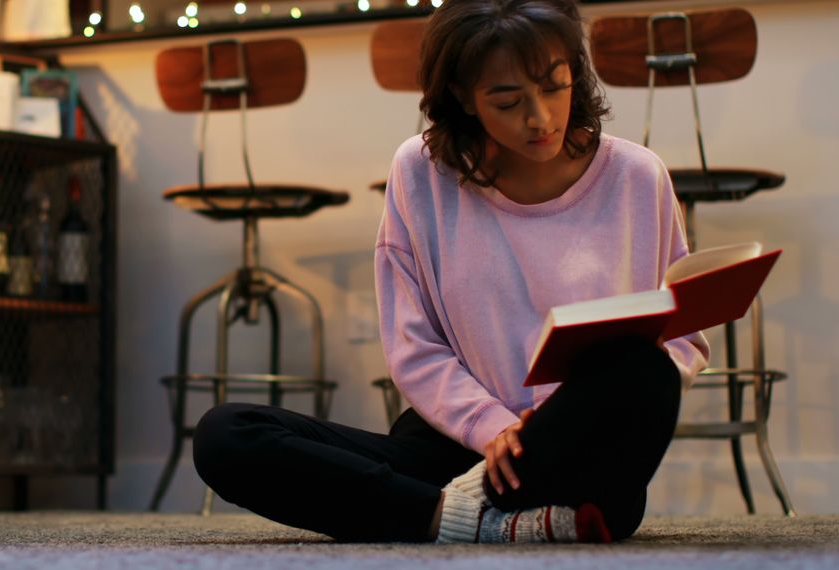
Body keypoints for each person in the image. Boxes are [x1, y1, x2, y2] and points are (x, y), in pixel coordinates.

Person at [193, 0, 708, 544]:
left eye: (555, 86)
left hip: (575, 454)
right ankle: (455, 519)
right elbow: (413, 346)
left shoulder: (636, 176)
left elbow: (682, 339)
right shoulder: (420, 173)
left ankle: (427, 515)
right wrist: (493, 428)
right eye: (507, 101)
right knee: (226, 436)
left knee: (644, 369)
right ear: (463, 97)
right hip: (456, 448)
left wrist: (560, 422)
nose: (541, 117)